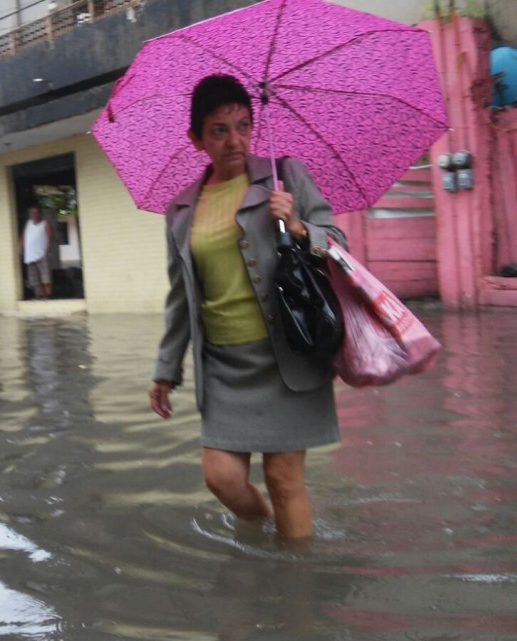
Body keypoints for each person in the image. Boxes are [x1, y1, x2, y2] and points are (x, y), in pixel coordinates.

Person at [147, 74, 347, 540]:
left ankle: (297, 592)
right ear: (195, 138)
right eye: (219, 129)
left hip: (286, 356)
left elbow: (337, 243)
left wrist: (298, 226)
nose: (235, 140)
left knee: (283, 479)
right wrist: (165, 370)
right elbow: (181, 296)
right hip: (222, 366)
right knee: (222, 478)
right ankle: (267, 542)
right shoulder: (180, 211)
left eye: (243, 125)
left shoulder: (284, 176)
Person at [18, 205, 54, 299]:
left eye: (36, 212)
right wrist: (20, 248)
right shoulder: (28, 223)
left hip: (42, 255)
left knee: (46, 279)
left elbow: (50, 238)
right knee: (36, 281)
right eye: (32, 213)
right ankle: (42, 297)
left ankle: (48, 297)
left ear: (40, 214)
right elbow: (23, 237)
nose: (34, 215)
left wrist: (47, 250)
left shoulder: (45, 224)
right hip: (30, 256)